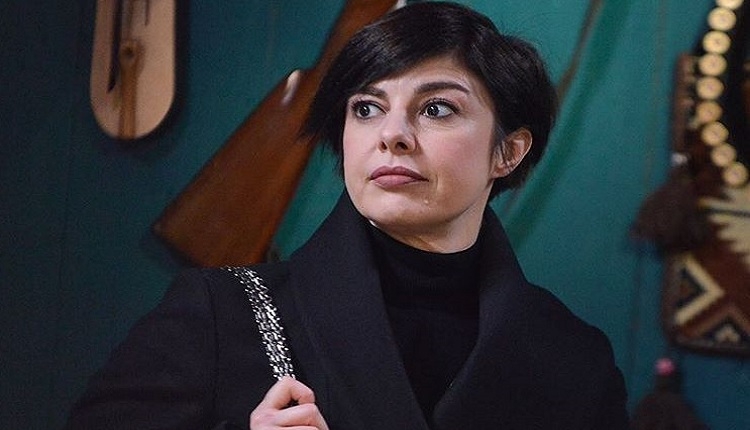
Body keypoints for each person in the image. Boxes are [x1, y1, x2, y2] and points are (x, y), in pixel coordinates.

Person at [65, 2, 629, 429]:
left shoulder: (574, 360)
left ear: (508, 151)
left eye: (437, 108)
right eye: (367, 108)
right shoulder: (219, 314)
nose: (393, 135)